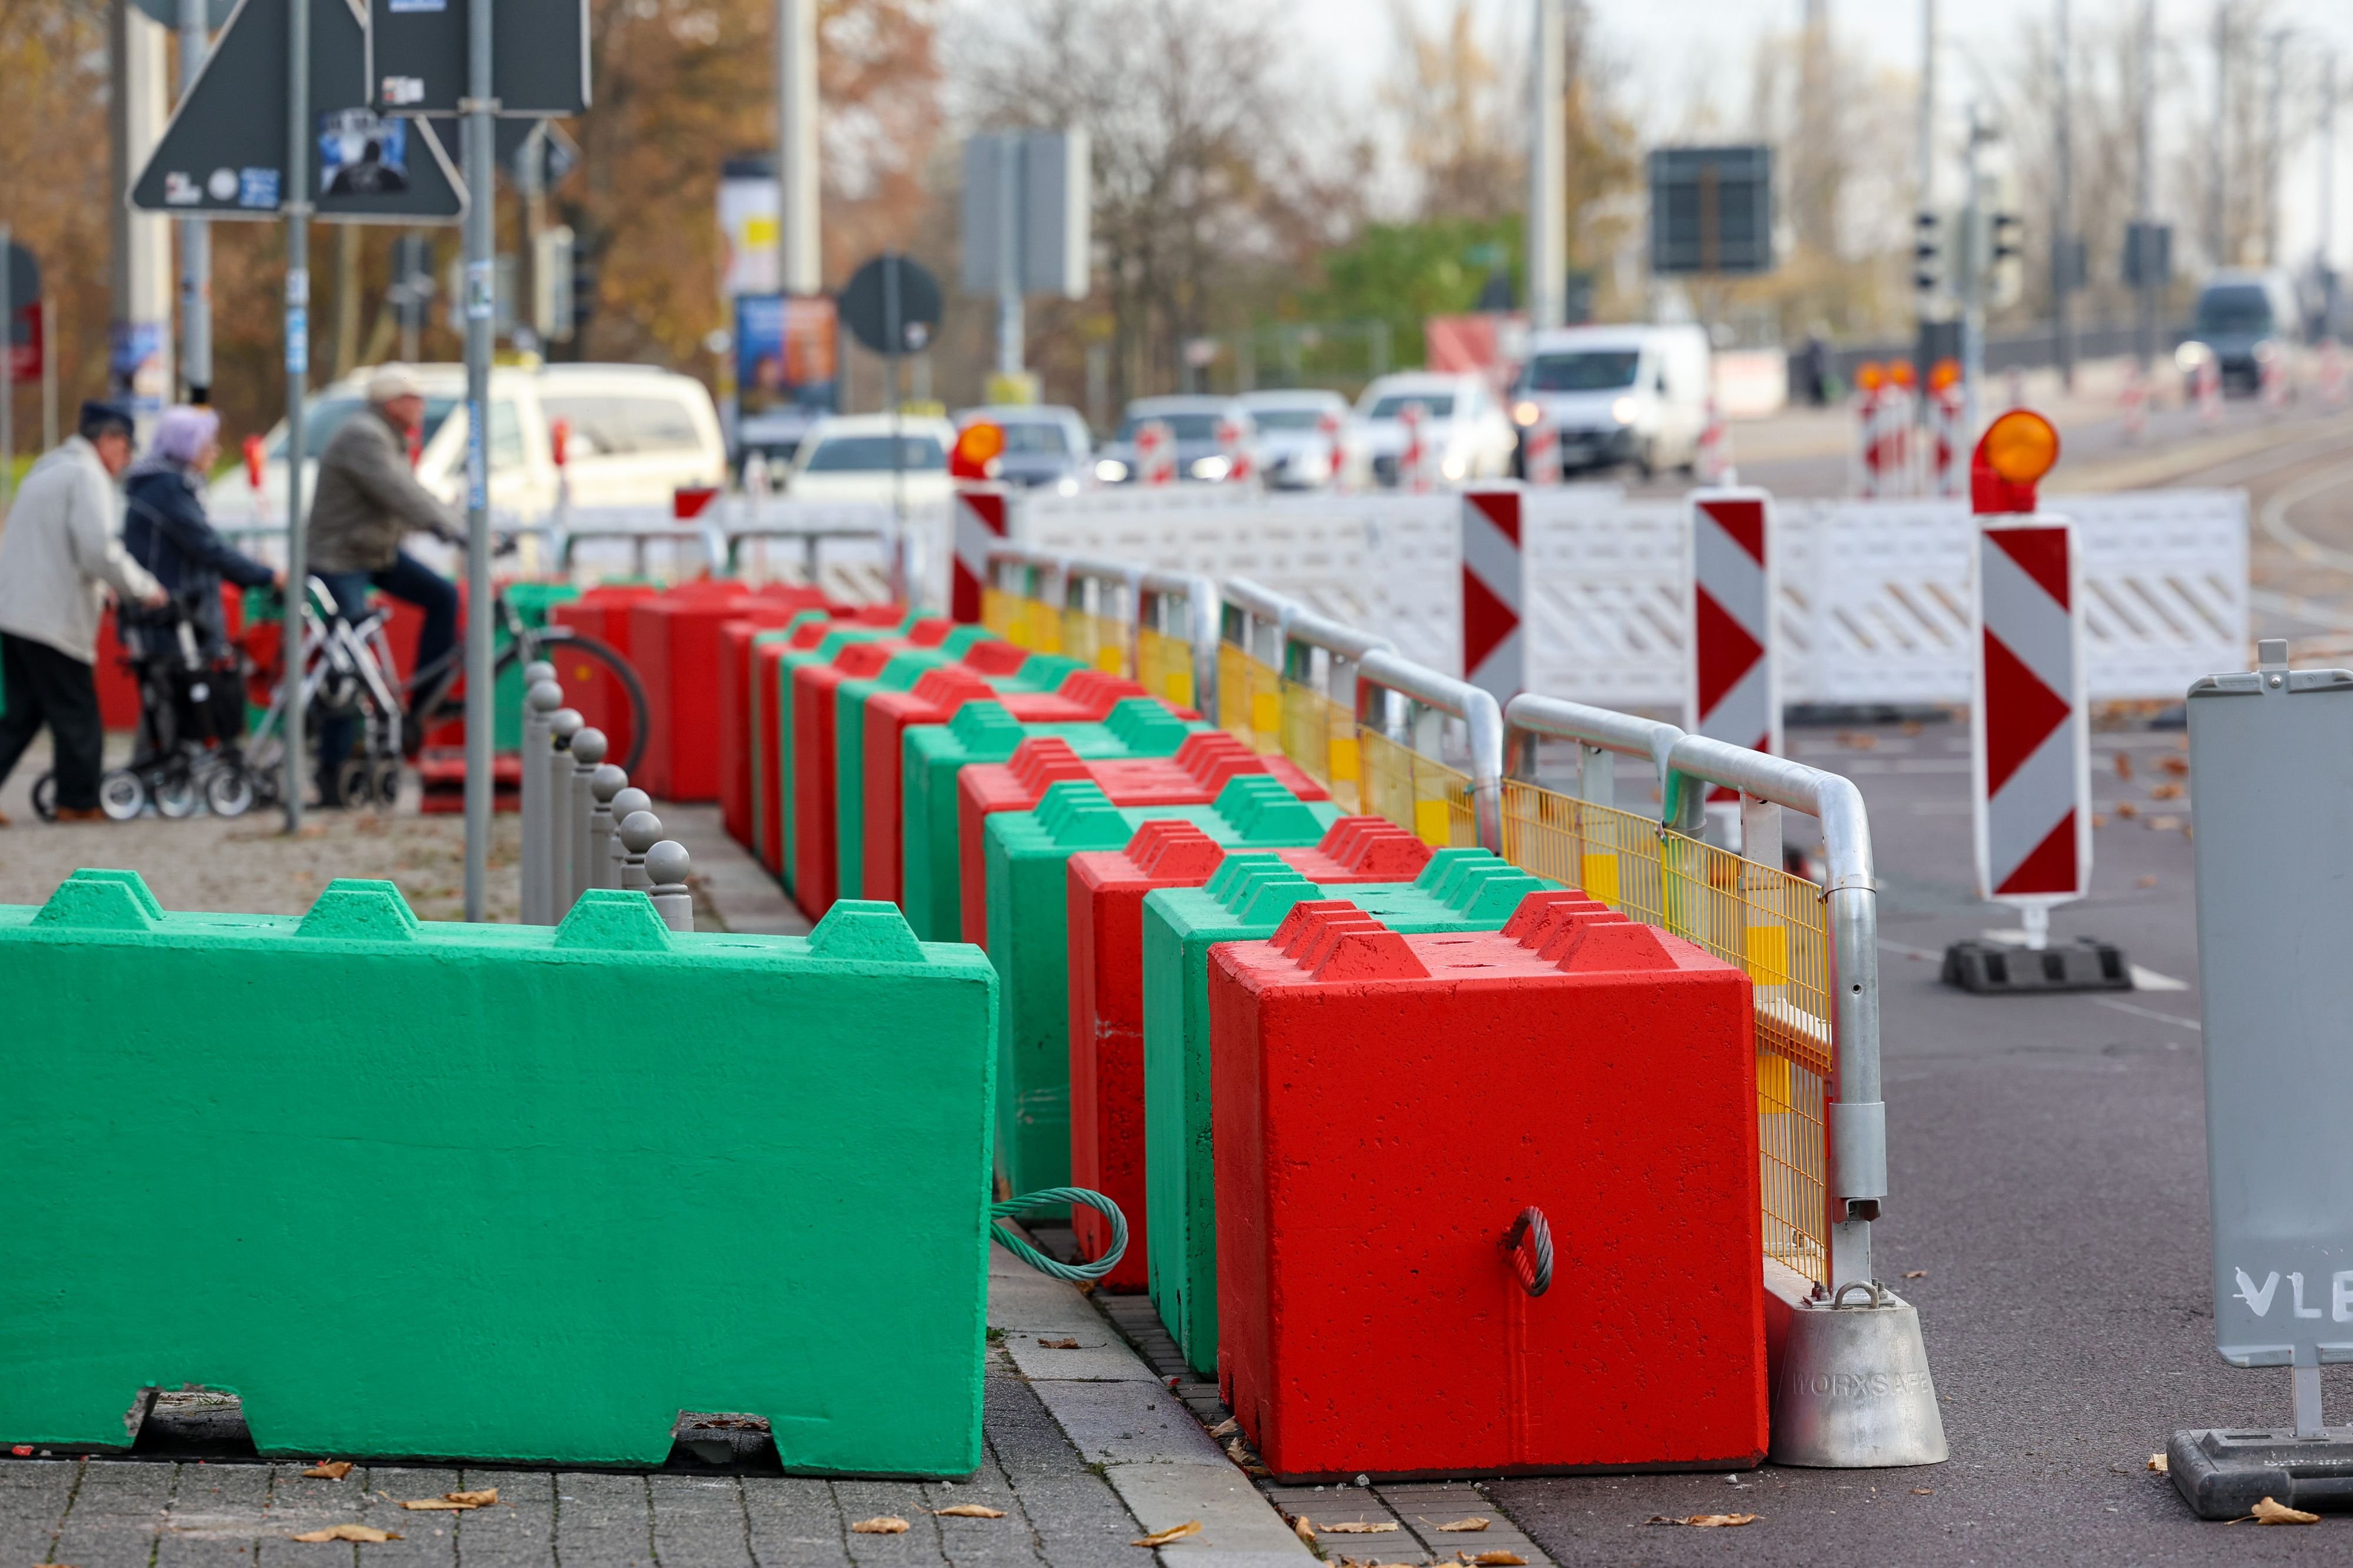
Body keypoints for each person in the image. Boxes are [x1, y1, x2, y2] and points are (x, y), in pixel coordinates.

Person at [0, 401, 169, 823]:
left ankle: (74, 798)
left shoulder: (47, 468)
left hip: (15, 610)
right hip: (50, 618)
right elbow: (98, 550)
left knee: (23, 714)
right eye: (125, 447)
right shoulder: (86, 476)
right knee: (77, 713)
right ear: (108, 440)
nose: (126, 459)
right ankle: (78, 803)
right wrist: (144, 589)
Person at [307, 364, 462, 800]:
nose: (421, 407)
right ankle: (334, 769)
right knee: (350, 656)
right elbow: (400, 493)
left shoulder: (389, 439)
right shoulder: (364, 437)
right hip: (339, 559)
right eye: (413, 399)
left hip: (373, 554)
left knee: (442, 596)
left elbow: (419, 491)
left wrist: (460, 523)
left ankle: (425, 705)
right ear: (391, 403)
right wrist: (450, 530)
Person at [119, 405, 284, 757]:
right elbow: (206, 546)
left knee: (167, 696)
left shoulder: (164, 484)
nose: (215, 451)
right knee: (171, 695)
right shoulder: (168, 488)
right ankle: (158, 770)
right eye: (207, 444)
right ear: (184, 446)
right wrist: (266, 577)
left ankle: (162, 768)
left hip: (174, 612)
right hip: (172, 614)